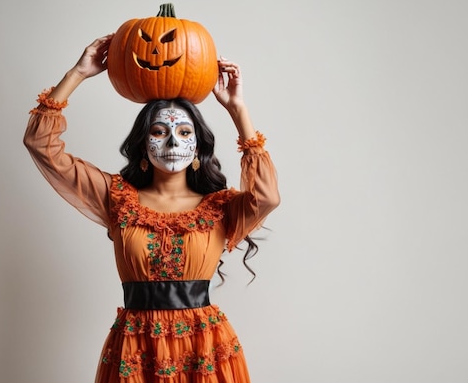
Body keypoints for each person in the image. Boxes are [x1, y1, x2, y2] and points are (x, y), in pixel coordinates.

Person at [23, 34, 280, 383]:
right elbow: (40, 144)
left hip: (204, 348)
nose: (173, 141)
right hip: (134, 347)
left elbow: (266, 197)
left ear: (198, 148)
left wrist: (238, 110)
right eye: (159, 132)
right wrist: (78, 73)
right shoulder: (117, 197)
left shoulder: (220, 207)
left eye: (185, 132)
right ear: (143, 146)